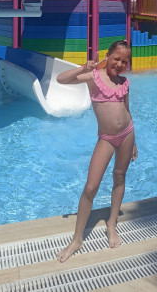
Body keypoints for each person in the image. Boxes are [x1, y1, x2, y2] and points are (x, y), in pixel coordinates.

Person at [56, 40, 137, 263]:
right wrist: (82, 68)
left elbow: (127, 110)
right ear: (107, 56)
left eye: (124, 61)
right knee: (91, 187)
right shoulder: (94, 77)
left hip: (127, 133)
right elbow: (61, 79)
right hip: (107, 138)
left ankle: (111, 223)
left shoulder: (124, 83)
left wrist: (134, 142)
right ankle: (77, 239)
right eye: (116, 58)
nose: (119, 64)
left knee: (119, 176)